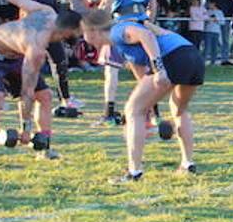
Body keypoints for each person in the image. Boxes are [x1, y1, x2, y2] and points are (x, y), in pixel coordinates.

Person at [82, 9, 205, 181]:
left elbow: (146, 35)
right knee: (178, 110)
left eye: (84, 33)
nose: (85, 38)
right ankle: (187, 163)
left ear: (94, 30)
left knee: (132, 110)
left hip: (173, 56)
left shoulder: (117, 31)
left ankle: (134, 172)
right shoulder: (122, 45)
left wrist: (159, 69)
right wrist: (149, 111)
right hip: (192, 56)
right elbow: (143, 78)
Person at [0, 0, 82, 165]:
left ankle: (44, 147)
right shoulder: (37, 47)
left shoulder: (48, 12)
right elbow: (26, 93)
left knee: (45, 96)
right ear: (64, 32)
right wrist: (25, 129)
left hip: (14, 57)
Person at [97, 0, 157, 125]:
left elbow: (106, 5)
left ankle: (109, 113)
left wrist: (98, 23)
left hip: (119, 24)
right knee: (143, 73)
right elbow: (153, 8)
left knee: (111, 69)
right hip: (141, 26)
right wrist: (146, 25)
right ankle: (154, 113)